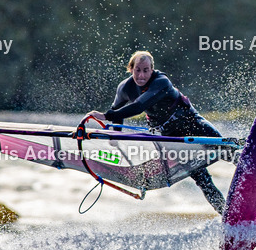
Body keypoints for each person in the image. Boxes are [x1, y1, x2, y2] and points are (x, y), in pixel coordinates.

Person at [86, 50, 229, 215]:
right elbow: (117, 111)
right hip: (172, 138)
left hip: (192, 123)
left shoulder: (161, 82)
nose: (141, 75)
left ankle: (250, 172)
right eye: (137, 70)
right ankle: (227, 216)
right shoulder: (125, 88)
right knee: (203, 180)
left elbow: (139, 106)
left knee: (226, 149)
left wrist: (106, 116)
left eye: (146, 70)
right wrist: (116, 134)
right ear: (131, 69)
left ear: (152, 70)